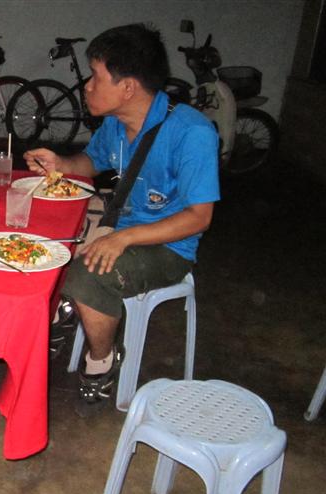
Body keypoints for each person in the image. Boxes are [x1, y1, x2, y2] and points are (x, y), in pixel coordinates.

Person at [24, 24, 219, 416]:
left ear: (128, 87)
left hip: (169, 246)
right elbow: (90, 162)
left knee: (88, 273)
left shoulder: (192, 133)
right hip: (121, 226)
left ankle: (102, 359)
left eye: (96, 77)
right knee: (39, 242)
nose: (87, 86)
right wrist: (60, 165)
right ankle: (66, 310)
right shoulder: (116, 121)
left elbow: (199, 218)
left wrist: (123, 239)